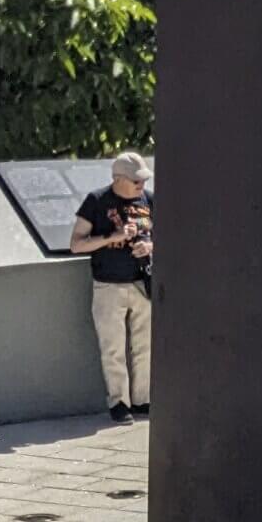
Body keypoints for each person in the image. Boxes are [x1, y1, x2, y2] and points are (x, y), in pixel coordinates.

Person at [71, 152, 154, 423]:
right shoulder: (97, 201)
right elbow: (77, 243)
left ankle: (143, 399)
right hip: (108, 284)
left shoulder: (148, 200)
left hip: (141, 281)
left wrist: (150, 246)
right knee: (113, 347)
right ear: (118, 179)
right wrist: (113, 237)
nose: (140, 186)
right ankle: (119, 401)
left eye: (143, 181)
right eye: (135, 181)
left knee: (145, 345)